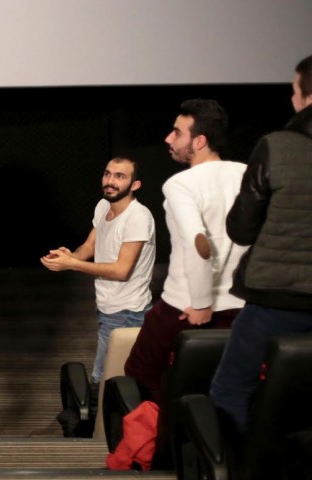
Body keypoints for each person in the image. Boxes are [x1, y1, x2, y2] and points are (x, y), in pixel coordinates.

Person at [210, 54, 312, 435]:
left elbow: (242, 229)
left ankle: (243, 463)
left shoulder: (278, 146)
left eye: (295, 89)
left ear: (306, 96)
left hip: (277, 299)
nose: (292, 97)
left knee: (230, 391)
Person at [124, 99, 249, 404]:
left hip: (186, 306)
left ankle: (161, 433)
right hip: (241, 307)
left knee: (140, 374)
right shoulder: (247, 173)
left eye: (177, 133)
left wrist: (203, 303)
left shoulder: (180, 184)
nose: (168, 138)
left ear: (199, 141)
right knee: (223, 382)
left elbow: (198, 243)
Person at [41, 157, 156, 435]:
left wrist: (73, 265)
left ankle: (93, 433)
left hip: (127, 312)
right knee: (106, 373)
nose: (110, 181)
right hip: (108, 306)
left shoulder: (138, 217)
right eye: (107, 174)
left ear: (135, 185)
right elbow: (91, 245)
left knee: (104, 376)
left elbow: (121, 270)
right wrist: (70, 256)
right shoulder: (104, 206)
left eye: (120, 176)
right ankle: (97, 427)